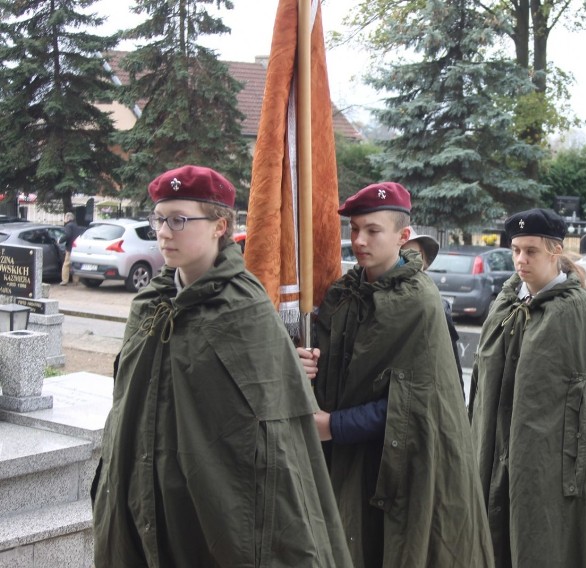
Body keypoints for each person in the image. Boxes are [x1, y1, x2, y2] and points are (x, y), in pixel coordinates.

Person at [90, 165, 352, 567]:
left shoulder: (245, 308)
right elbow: (127, 401)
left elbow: (270, 434)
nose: (164, 232)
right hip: (142, 490)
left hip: (213, 509)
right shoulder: (149, 305)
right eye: (158, 218)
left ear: (219, 226)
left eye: (179, 219)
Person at [304, 182, 493, 568]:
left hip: (401, 467)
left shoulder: (419, 303)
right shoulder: (342, 294)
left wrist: (334, 426)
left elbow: (419, 402)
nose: (359, 240)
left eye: (372, 230)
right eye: (354, 229)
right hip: (342, 462)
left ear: (402, 236)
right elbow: (331, 367)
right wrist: (303, 362)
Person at [469, 207, 586, 567]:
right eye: (516, 250)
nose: (521, 260)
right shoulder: (505, 306)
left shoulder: (576, 311)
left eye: (531, 251)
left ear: (556, 251)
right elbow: (482, 384)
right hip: (494, 452)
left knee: (546, 539)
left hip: (552, 464)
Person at [401, 229, 464, 393]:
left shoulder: (436, 307)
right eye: (401, 254)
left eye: (414, 255)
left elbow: (452, 370)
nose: (408, 261)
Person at [60, 211, 79, 286]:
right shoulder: (75, 225)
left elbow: (67, 235)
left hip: (69, 247)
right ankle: (76, 280)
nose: (64, 219)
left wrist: (60, 240)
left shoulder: (68, 226)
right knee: (74, 264)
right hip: (75, 247)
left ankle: (64, 280)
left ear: (68, 218)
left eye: (65, 217)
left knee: (66, 264)